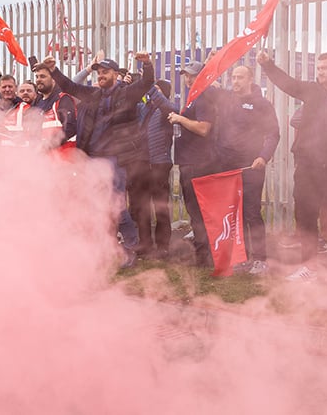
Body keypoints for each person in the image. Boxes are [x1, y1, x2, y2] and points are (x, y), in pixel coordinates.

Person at [36, 52, 155, 267]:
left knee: (115, 204)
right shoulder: (93, 94)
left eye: (105, 72)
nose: (100, 75)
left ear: (116, 75)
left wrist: (146, 64)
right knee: (97, 205)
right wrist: (54, 70)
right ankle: (107, 248)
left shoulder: (127, 94)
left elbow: (147, 82)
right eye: (99, 72)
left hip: (115, 160)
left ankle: (131, 247)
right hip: (92, 159)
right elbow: (70, 87)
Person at [258, 50, 327, 286]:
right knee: (304, 217)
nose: (319, 72)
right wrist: (267, 65)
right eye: (319, 68)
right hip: (307, 166)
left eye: (324, 68)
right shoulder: (313, 91)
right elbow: (288, 84)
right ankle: (309, 267)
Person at [214, 65, 280, 275]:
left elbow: (273, 134)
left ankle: (261, 259)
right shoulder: (226, 100)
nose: (235, 81)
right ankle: (242, 256)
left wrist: (263, 156)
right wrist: (211, 65)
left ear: (251, 79)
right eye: (233, 77)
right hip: (227, 165)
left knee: (251, 211)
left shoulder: (262, 105)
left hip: (251, 165)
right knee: (235, 212)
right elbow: (205, 86)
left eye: (240, 77)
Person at [167, 60, 219, 268]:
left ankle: (205, 254)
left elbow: (204, 129)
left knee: (200, 210)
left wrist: (180, 119)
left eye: (192, 75)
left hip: (200, 163)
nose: (188, 79)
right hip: (190, 162)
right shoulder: (194, 97)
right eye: (186, 76)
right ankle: (203, 251)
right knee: (194, 210)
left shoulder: (204, 98)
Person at [129, 80, 176, 258]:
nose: (151, 94)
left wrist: (148, 83)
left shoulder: (166, 110)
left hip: (159, 164)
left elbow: (166, 104)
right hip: (141, 163)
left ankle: (163, 246)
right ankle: (145, 244)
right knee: (142, 207)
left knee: (160, 206)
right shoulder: (144, 108)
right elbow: (131, 104)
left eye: (156, 91)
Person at [33, 63, 77, 146]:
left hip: (61, 155)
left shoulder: (63, 99)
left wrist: (50, 144)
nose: (38, 80)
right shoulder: (37, 102)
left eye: (43, 76)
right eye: (37, 77)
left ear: (54, 79)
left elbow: (70, 128)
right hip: (42, 156)